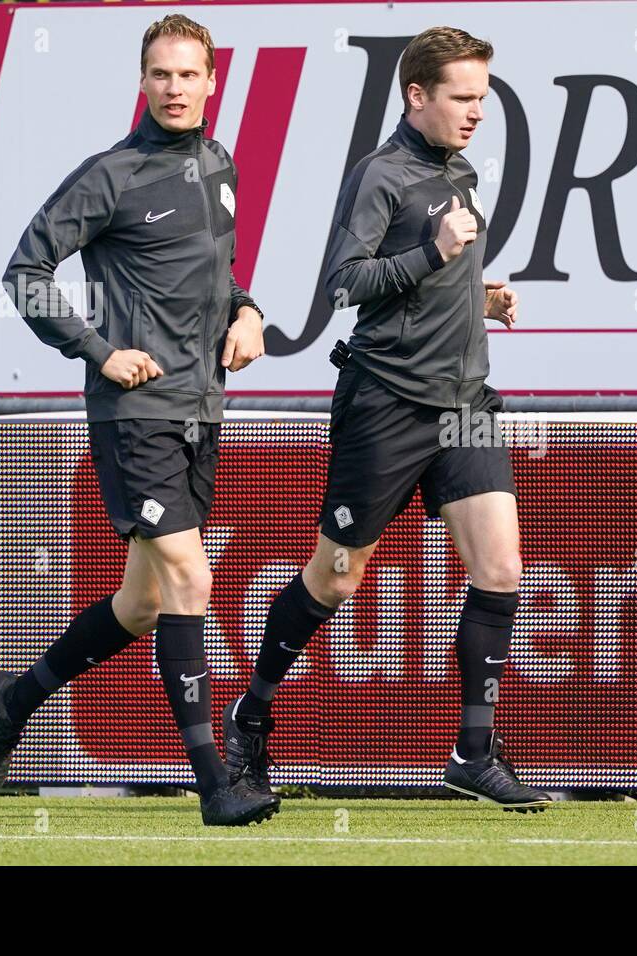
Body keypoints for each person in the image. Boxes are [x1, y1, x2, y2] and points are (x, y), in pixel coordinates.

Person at [223, 26, 550, 812]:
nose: (477, 112)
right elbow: (345, 283)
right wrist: (435, 257)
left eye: (483, 98)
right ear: (417, 95)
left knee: (500, 570)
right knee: (337, 575)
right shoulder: (381, 174)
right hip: (387, 402)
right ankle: (250, 716)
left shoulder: (461, 170)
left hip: (466, 402)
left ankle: (473, 752)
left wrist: (479, 296)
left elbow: (426, 286)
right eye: (463, 98)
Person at [0, 14, 277, 826]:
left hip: (199, 409)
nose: (175, 88)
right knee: (192, 579)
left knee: (143, 604)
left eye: (188, 75)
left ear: (213, 82)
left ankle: (17, 695)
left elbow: (222, 272)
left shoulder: (220, 165)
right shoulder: (110, 174)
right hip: (133, 414)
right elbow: (25, 272)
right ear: (142, 83)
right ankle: (214, 782)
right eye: (160, 75)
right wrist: (99, 351)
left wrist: (247, 313)